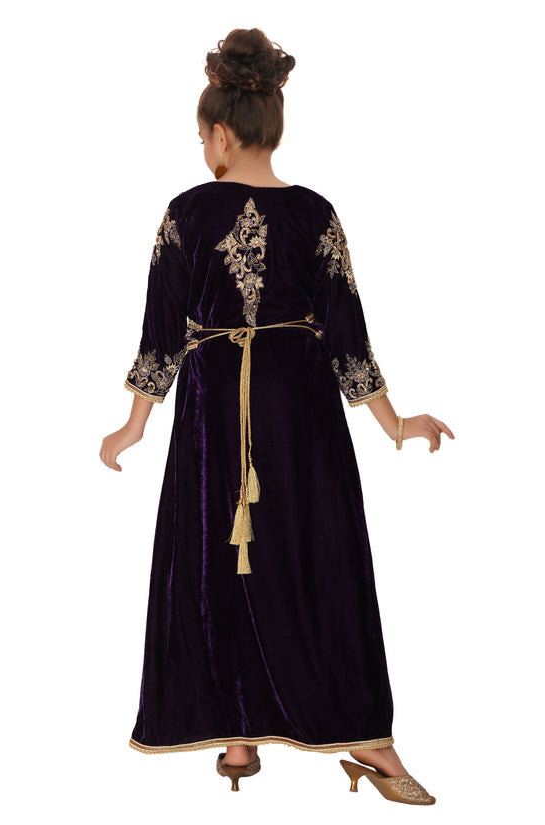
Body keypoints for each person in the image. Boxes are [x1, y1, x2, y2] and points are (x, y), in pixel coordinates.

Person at [100, 28, 454, 803]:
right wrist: (394, 422)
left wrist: (134, 424)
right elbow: (347, 336)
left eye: (202, 136)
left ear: (221, 134)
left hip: (214, 418)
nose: (202, 148)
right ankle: (267, 729)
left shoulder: (187, 213)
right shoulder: (315, 213)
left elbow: (160, 334)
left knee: (223, 559)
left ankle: (310, 735)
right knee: (312, 560)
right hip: (302, 416)